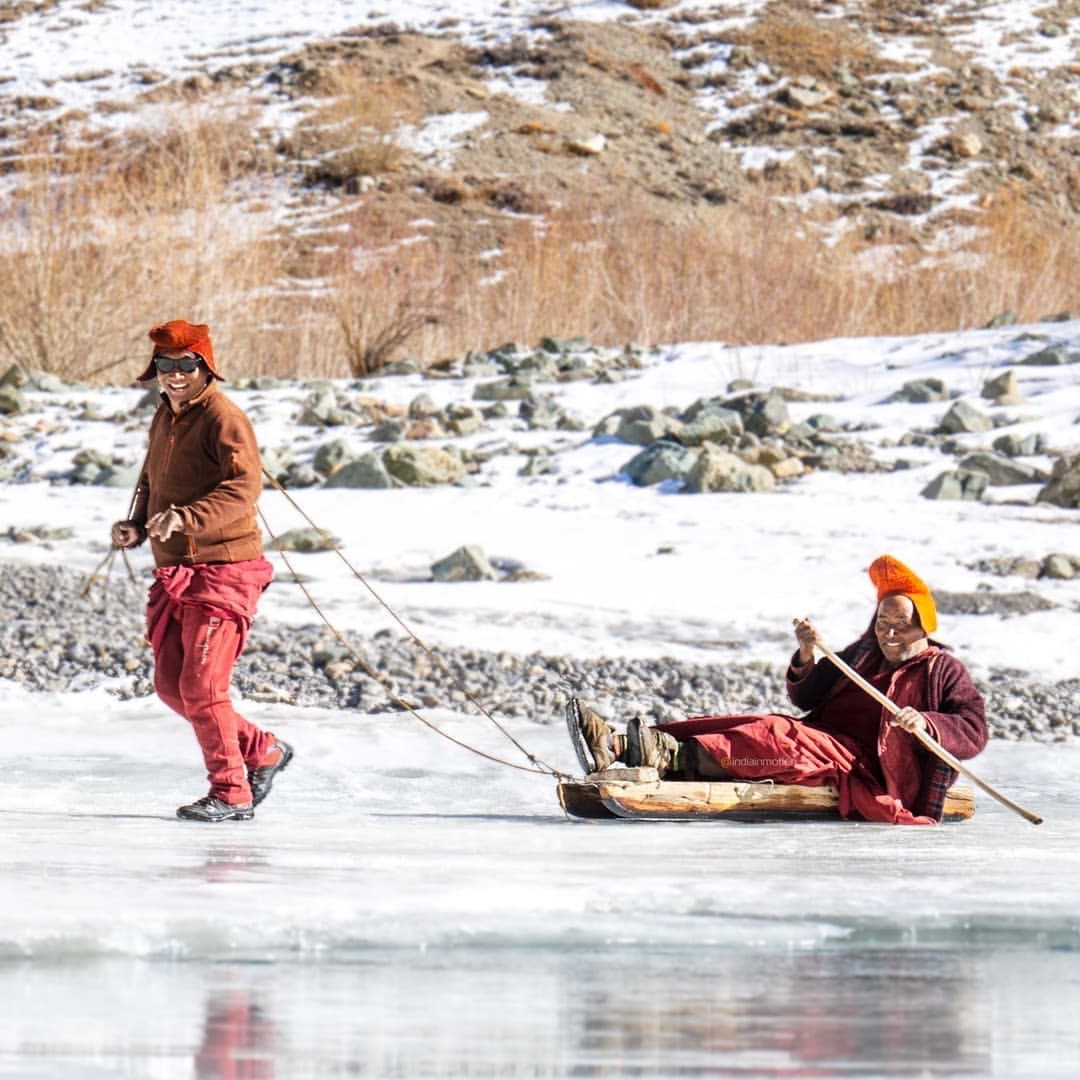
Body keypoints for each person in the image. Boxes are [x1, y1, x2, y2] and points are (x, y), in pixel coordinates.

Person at [567, 555, 988, 825]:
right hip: (824, 739)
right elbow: (806, 698)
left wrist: (927, 724)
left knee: (774, 741)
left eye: (901, 626)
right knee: (752, 723)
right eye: (883, 624)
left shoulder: (942, 670)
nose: (889, 635)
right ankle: (618, 744)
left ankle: (666, 755)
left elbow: (972, 729)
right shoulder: (862, 654)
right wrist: (807, 654)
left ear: (923, 627)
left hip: (870, 768)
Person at [111, 319, 293, 822]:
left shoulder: (224, 418)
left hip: (224, 570)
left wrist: (189, 517)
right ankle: (263, 751)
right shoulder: (164, 415)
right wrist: (138, 526)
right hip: (175, 570)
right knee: (172, 687)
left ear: (204, 367)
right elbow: (152, 479)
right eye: (165, 366)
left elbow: (244, 489)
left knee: (203, 689)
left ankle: (232, 793)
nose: (174, 375)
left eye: (185, 366)